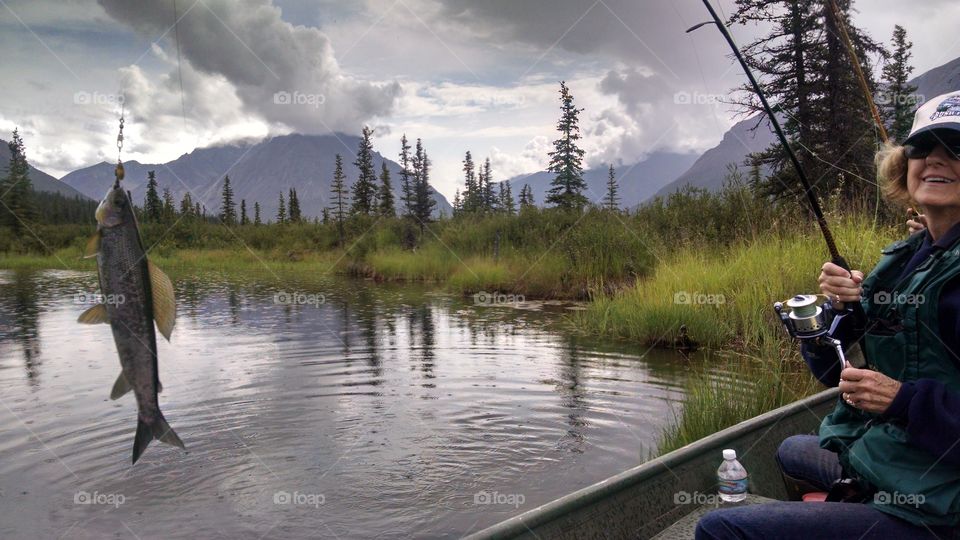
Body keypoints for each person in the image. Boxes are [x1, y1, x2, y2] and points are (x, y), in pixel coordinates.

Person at [695, 92, 960, 539]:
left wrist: (903, 400)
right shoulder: (917, 256)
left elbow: (904, 394)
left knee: (720, 529)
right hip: (908, 461)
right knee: (790, 449)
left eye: (956, 149)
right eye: (923, 147)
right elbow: (833, 375)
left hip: (940, 507)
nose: (936, 159)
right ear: (904, 165)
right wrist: (840, 315)